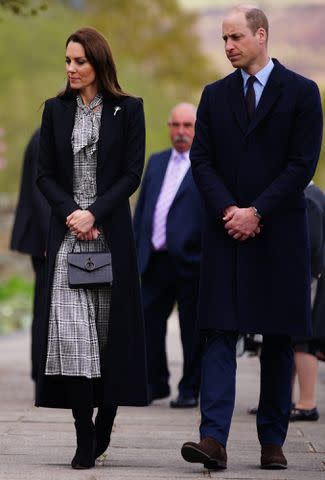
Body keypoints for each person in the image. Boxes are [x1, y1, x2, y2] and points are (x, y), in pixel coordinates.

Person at [181, 5, 323, 471]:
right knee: (218, 332)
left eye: (236, 37)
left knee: (279, 337)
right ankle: (213, 439)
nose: (228, 47)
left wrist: (257, 211)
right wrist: (230, 211)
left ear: (261, 36)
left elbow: (302, 163)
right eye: (224, 39)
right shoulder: (214, 95)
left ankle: (272, 441)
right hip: (226, 234)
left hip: (279, 233)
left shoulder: (302, 92)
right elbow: (201, 160)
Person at [35, 27, 147, 470]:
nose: (71, 69)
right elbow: (44, 174)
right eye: (67, 61)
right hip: (68, 240)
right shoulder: (54, 110)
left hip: (110, 239)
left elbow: (131, 174)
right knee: (72, 334)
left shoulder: (129, 109)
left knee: (106, 337)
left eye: (79, 61)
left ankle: (106, 421)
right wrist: (72, 214)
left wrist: (94, 213)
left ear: (99, 63)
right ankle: (84, 434)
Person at [133, 103, 202, 408]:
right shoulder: (157, 162)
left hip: (190, 261)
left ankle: (190, 388)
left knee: (191, 328)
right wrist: (136, 251)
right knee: (148, 324)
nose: (181, 132)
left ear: (197, 129)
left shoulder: (206, 166)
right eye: (175, 125)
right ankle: (153, 383)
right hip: (154, 259)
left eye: (188, 125)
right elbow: (144, 208)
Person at [10, 128, 50, 382]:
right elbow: (40, 194)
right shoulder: (43, 138)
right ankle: (42, 373)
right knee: (46, 307)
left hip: (44, 239)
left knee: (45, 306)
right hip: (45, 241)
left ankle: (44, 372)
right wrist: (50, 238)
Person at [291, 182, 325, 422]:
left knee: (304, 342)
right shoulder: (311, 194)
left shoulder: (309, 197)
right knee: (294, 342)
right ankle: (285, 399)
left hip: (309, 281)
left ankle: (307, 403)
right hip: (309, 279)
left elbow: (312, 248)